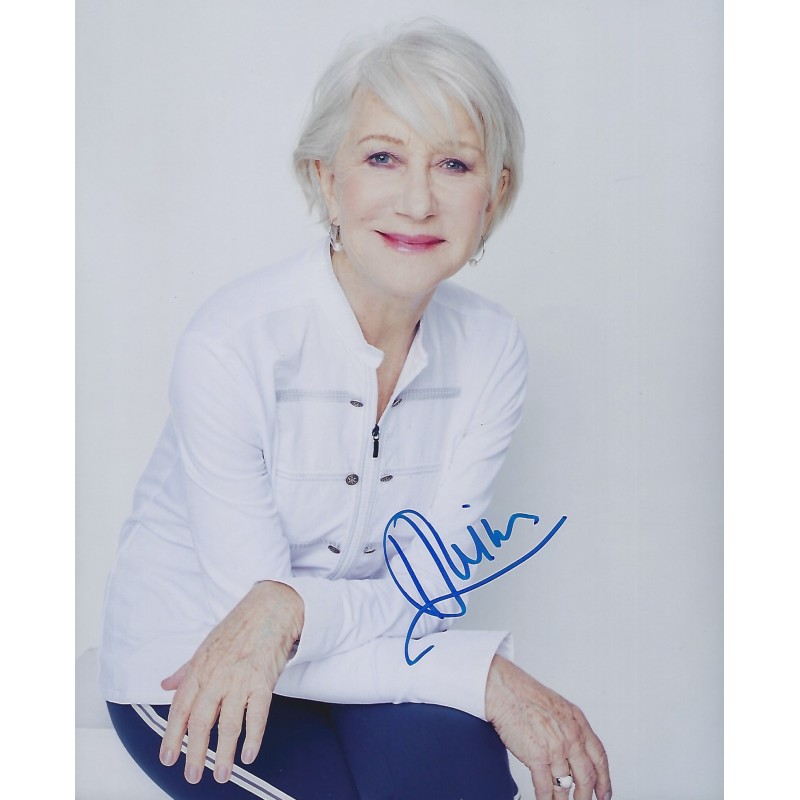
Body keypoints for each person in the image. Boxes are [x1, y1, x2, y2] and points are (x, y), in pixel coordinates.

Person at [98, 18, 612, 800]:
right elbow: (248, 623)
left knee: (464, 781)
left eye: (454, 163)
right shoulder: (233, 343)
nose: (418, 200)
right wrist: (480, 675)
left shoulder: (491, 349)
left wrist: (291, 609)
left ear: (495, 193)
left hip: (367, 656)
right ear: (326, 178)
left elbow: (424, 595)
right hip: (194, 661)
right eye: (382, 158)